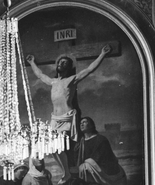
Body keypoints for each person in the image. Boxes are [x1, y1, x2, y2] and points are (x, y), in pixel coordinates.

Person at [26, 45, 111, 177]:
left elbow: (89, 69)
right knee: (53, 147)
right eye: (60, 62)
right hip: (55, 119)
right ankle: (65, 171)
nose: (61, 64)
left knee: (61, 145)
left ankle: (67, 173)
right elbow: (40, 75)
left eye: (64, 62)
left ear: (69, 67)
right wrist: (32, 63)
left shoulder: (71, 80)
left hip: (67, 118)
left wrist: (102, 54)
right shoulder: (53, 82)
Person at [72, 116, 128, 185]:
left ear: (91, 125)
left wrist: (86, 164)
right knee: (83, 167)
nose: (82, 124)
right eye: (80, 123)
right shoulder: (81, 142)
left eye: (84, 122)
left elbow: (101, 158)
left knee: (85, 166)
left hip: (104, 168)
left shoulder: (101, 139)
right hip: (90, 168)